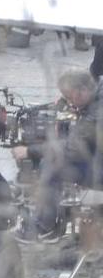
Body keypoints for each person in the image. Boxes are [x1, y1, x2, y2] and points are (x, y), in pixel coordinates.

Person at [12, 68, 103, 239]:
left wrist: (30, 151)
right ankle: (55, 216)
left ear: (82, 91)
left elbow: (72, 149)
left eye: (70, 97)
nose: (69, 102)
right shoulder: (97, 89)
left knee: (52, 165)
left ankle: (41, 227)